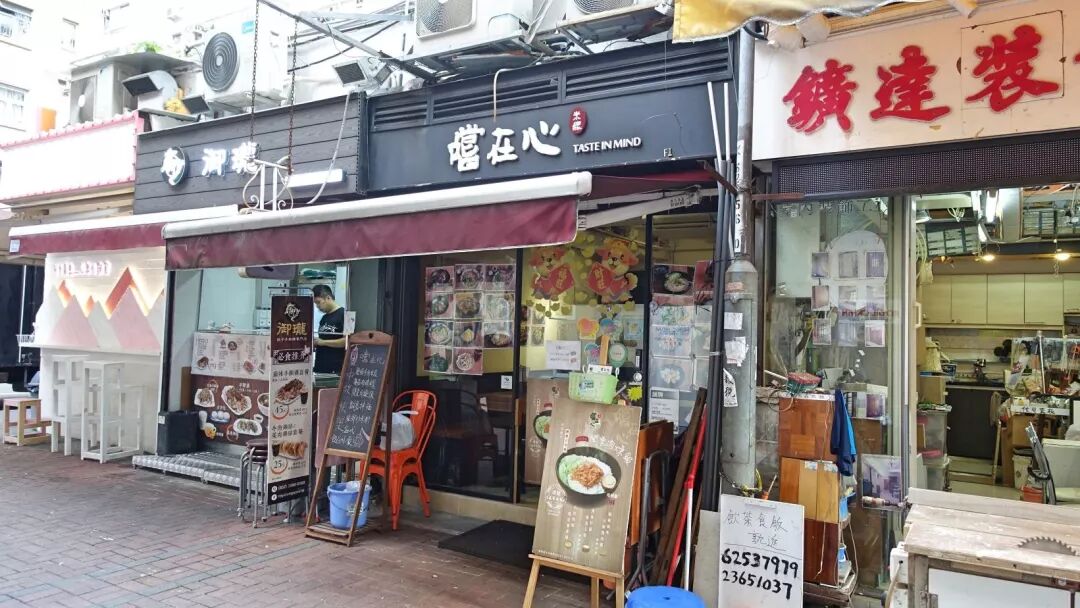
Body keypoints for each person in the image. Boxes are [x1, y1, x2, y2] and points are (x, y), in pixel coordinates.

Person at [312, 285, 346, 374]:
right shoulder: (324, 318)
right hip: (320, 367)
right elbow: (322, 339)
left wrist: (322, 342)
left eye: (318, 302)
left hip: (335, 369)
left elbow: (346, 341)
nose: (317, 306)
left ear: (328, 298)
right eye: (316, 304)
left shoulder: (344, 314)